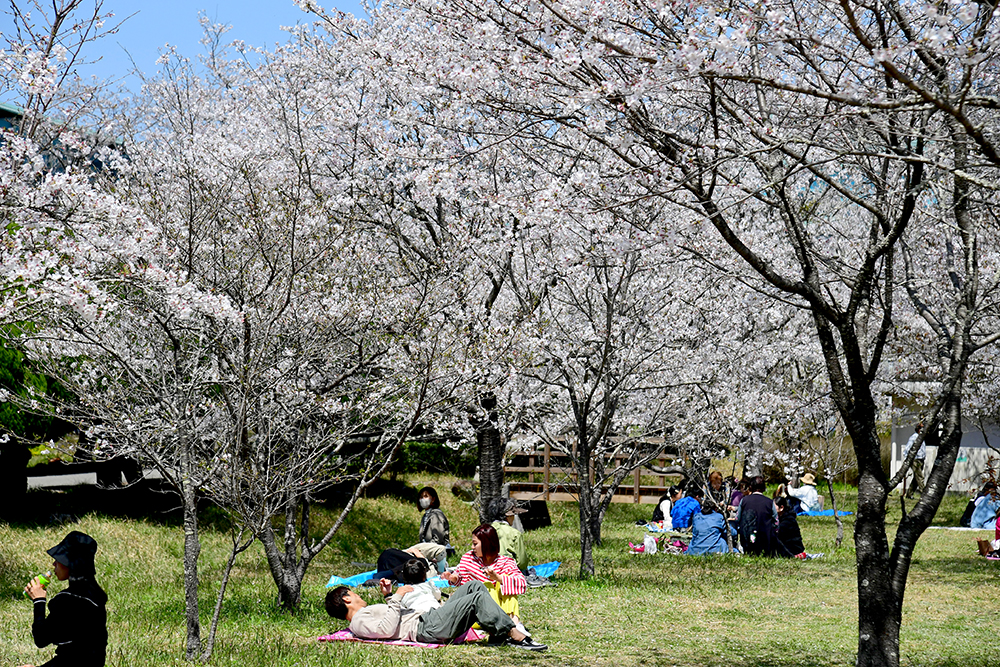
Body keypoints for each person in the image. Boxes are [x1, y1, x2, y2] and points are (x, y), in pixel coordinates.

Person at [325, 579, 547, 651]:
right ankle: (514, 634)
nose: (358, 595)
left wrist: (388, 596)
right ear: (347, 599)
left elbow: (388, 618)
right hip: (426, 628)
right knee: (476, 599)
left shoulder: (364, 615)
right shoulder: (358, 623)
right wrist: (397, 597)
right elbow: (386, 630)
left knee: (474, 586)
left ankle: (498, 634)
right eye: (353, 593)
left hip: (430, 618)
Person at [19, 530, 108, 667]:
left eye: (58, 560)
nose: (54, 564)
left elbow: (41, 639)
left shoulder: (67, 601)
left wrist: (39, 600)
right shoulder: (96, 596)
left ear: (69, 564)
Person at [445, 524, 528, 631]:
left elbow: (521, 583)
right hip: (474, 615)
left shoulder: (505, 562)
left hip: (499, 611)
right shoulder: (468, 559)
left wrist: (498, 578)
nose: (472, 547)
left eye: (475, 544)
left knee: (506, 579)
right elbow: (461, 579)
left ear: (487, 544)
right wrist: (453, 578)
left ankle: (514, 624)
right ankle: (508, 627)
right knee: (485, 586)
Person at [736, 476, 778, 557]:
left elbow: (737, 518)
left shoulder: (744, 500)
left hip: (747, 540)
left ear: (750, 487)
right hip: (765, 541)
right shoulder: (769, 502)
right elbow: (776, 522)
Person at [485, 498, 528, 572]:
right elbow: (522, 562)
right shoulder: (515, 534)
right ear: (508, 516)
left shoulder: (484, 531)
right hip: (507, 572)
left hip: (486, 571)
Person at [368, 542, 448, 582]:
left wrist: (415, 552)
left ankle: (440, 569)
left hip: (390, 556)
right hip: (406, 561)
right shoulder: (424, 569)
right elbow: (423, 564)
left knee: (440, 550)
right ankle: (440, 570)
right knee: (441, 551)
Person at [417, 486, 451, 553]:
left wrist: (424, 549)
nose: (422, 499)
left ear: (433, 499)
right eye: (421, 497)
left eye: (426, 496)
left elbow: (438, 539)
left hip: (437, 551)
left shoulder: (436, 515)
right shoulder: (426, 515)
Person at [903, 423, 926, 498]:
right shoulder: (914, 437)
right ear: (919, 429)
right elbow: (907, 448)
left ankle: (909, 494)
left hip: (921, 459)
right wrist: (907, 458)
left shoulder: (921, 437)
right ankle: (924, 494)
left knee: (916, 478)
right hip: (915, 460)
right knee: (920, 477)